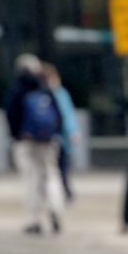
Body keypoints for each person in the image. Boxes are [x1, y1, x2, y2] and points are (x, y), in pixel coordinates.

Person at [8, 53, 64, 235]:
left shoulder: (17, 89)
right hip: (48, 140)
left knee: (31, 178)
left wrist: (16, 135)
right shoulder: (45, 89)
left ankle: (34, 219)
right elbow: (58, 115)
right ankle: (56, 208)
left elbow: (11, 115)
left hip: (26, 141)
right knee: (51, 175)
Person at [41, 62, 77, 205]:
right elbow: (67, 115)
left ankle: (62, 193)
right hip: (56, 138)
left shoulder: (44, 94)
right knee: (59, 168)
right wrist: (72, 132)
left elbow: (67, 115)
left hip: (49, 138)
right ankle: (63, 194)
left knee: (55, 169)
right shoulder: (57, 94)